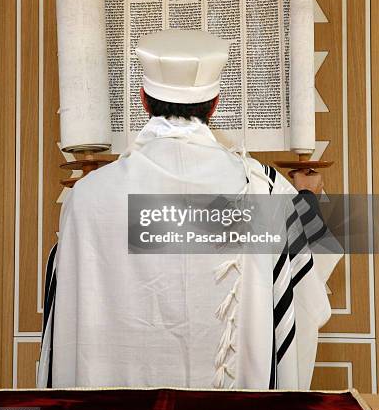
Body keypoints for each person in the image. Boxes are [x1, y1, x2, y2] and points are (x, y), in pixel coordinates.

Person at [38, 29, 341, 390]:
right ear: (214, 105)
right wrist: (305, 202)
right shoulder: (266, 192)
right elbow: (305, 298)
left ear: (144, 101)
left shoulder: (87, 198)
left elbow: (67, 306)